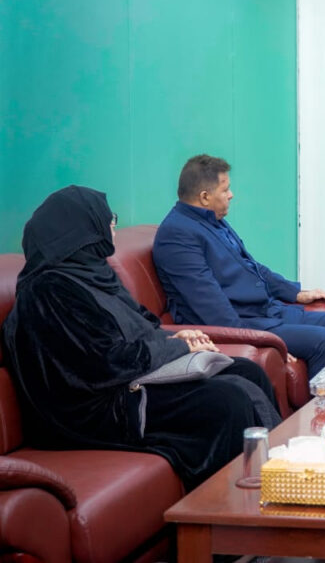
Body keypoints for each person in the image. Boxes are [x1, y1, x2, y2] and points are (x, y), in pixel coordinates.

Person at [1, 186, 280, 490]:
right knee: (226, 400)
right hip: (98, 409)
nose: (112, 226)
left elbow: (142, 323)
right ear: (81, 229)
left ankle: (279, 472)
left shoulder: (94, 273)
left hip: (131, 381)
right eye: (107, 219)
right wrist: (176, 347)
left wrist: (175, 337)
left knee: (247, 371)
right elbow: (105, 363)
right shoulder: (49, 292)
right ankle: (226, 502)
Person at [152, 154, 325, 378]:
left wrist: (297, 293)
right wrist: (262, 341)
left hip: (266, 311)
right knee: (322, 339)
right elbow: (211, 307)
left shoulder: (212, 220)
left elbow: (252, 267)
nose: (231, 195)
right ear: (204, 197)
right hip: (245, 322)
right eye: (225, 190)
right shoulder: (177, 234)